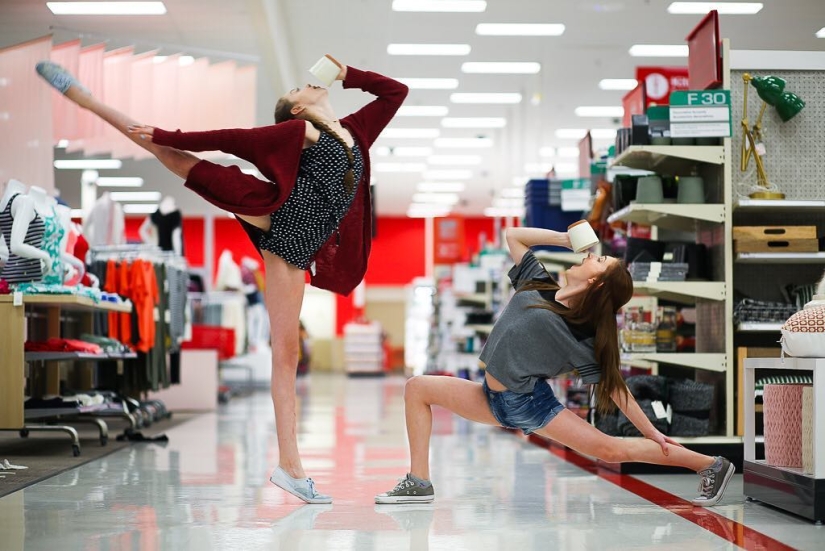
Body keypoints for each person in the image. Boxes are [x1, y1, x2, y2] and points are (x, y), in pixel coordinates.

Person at [36, 54, 408, 504]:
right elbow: (232, 139)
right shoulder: (300, 130)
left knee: (287, 354)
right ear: (297, 109)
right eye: (297, 89)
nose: (306, 83)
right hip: (278, 222)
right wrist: (166, 135)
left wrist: (350, 73)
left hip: (296, 249)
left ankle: (290, 468)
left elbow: (395, 92)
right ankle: (88, 100)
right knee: (173, 157)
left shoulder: (356, 130)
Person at [375, 226, 735, 507]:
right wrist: (565, 239)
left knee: (611, 450)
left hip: (528, 404)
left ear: (595, 282)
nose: (591, 254)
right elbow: (513, 236)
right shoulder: (537, 282)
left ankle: (710, 465)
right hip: (491, 398)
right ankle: (419, 481)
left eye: (599, 260)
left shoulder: (581, 334)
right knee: (416, 388)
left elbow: (615, 389)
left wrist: (652, 431)